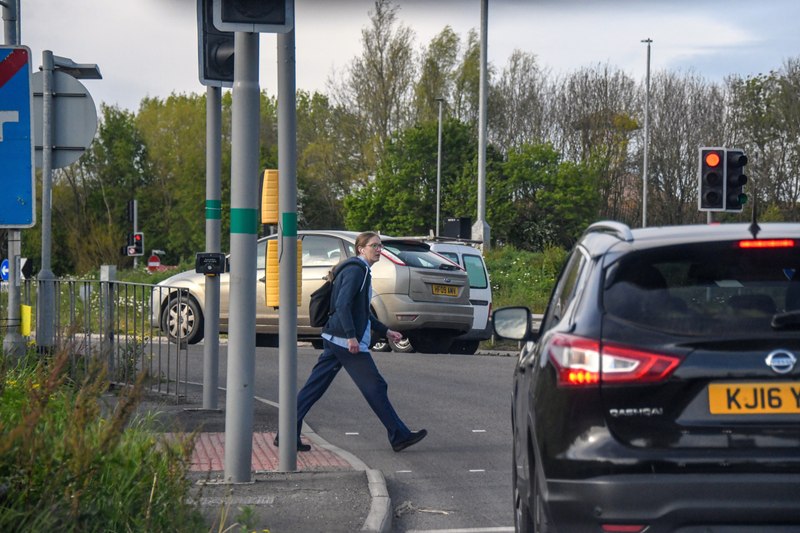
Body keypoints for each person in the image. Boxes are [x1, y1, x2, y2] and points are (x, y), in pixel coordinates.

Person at [274, 231, 427, 453]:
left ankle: (286, 435)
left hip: (336, 339)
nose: (379, 250)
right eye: (374, 246)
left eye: (380, 246)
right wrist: (350, 337)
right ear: (361, 249)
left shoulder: (361, 270)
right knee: (375, 386)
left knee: (313, 389)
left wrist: (386, 331)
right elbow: (342, 305)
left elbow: (362, 311)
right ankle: (399, 435)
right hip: (344, 341)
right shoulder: (357, 271)